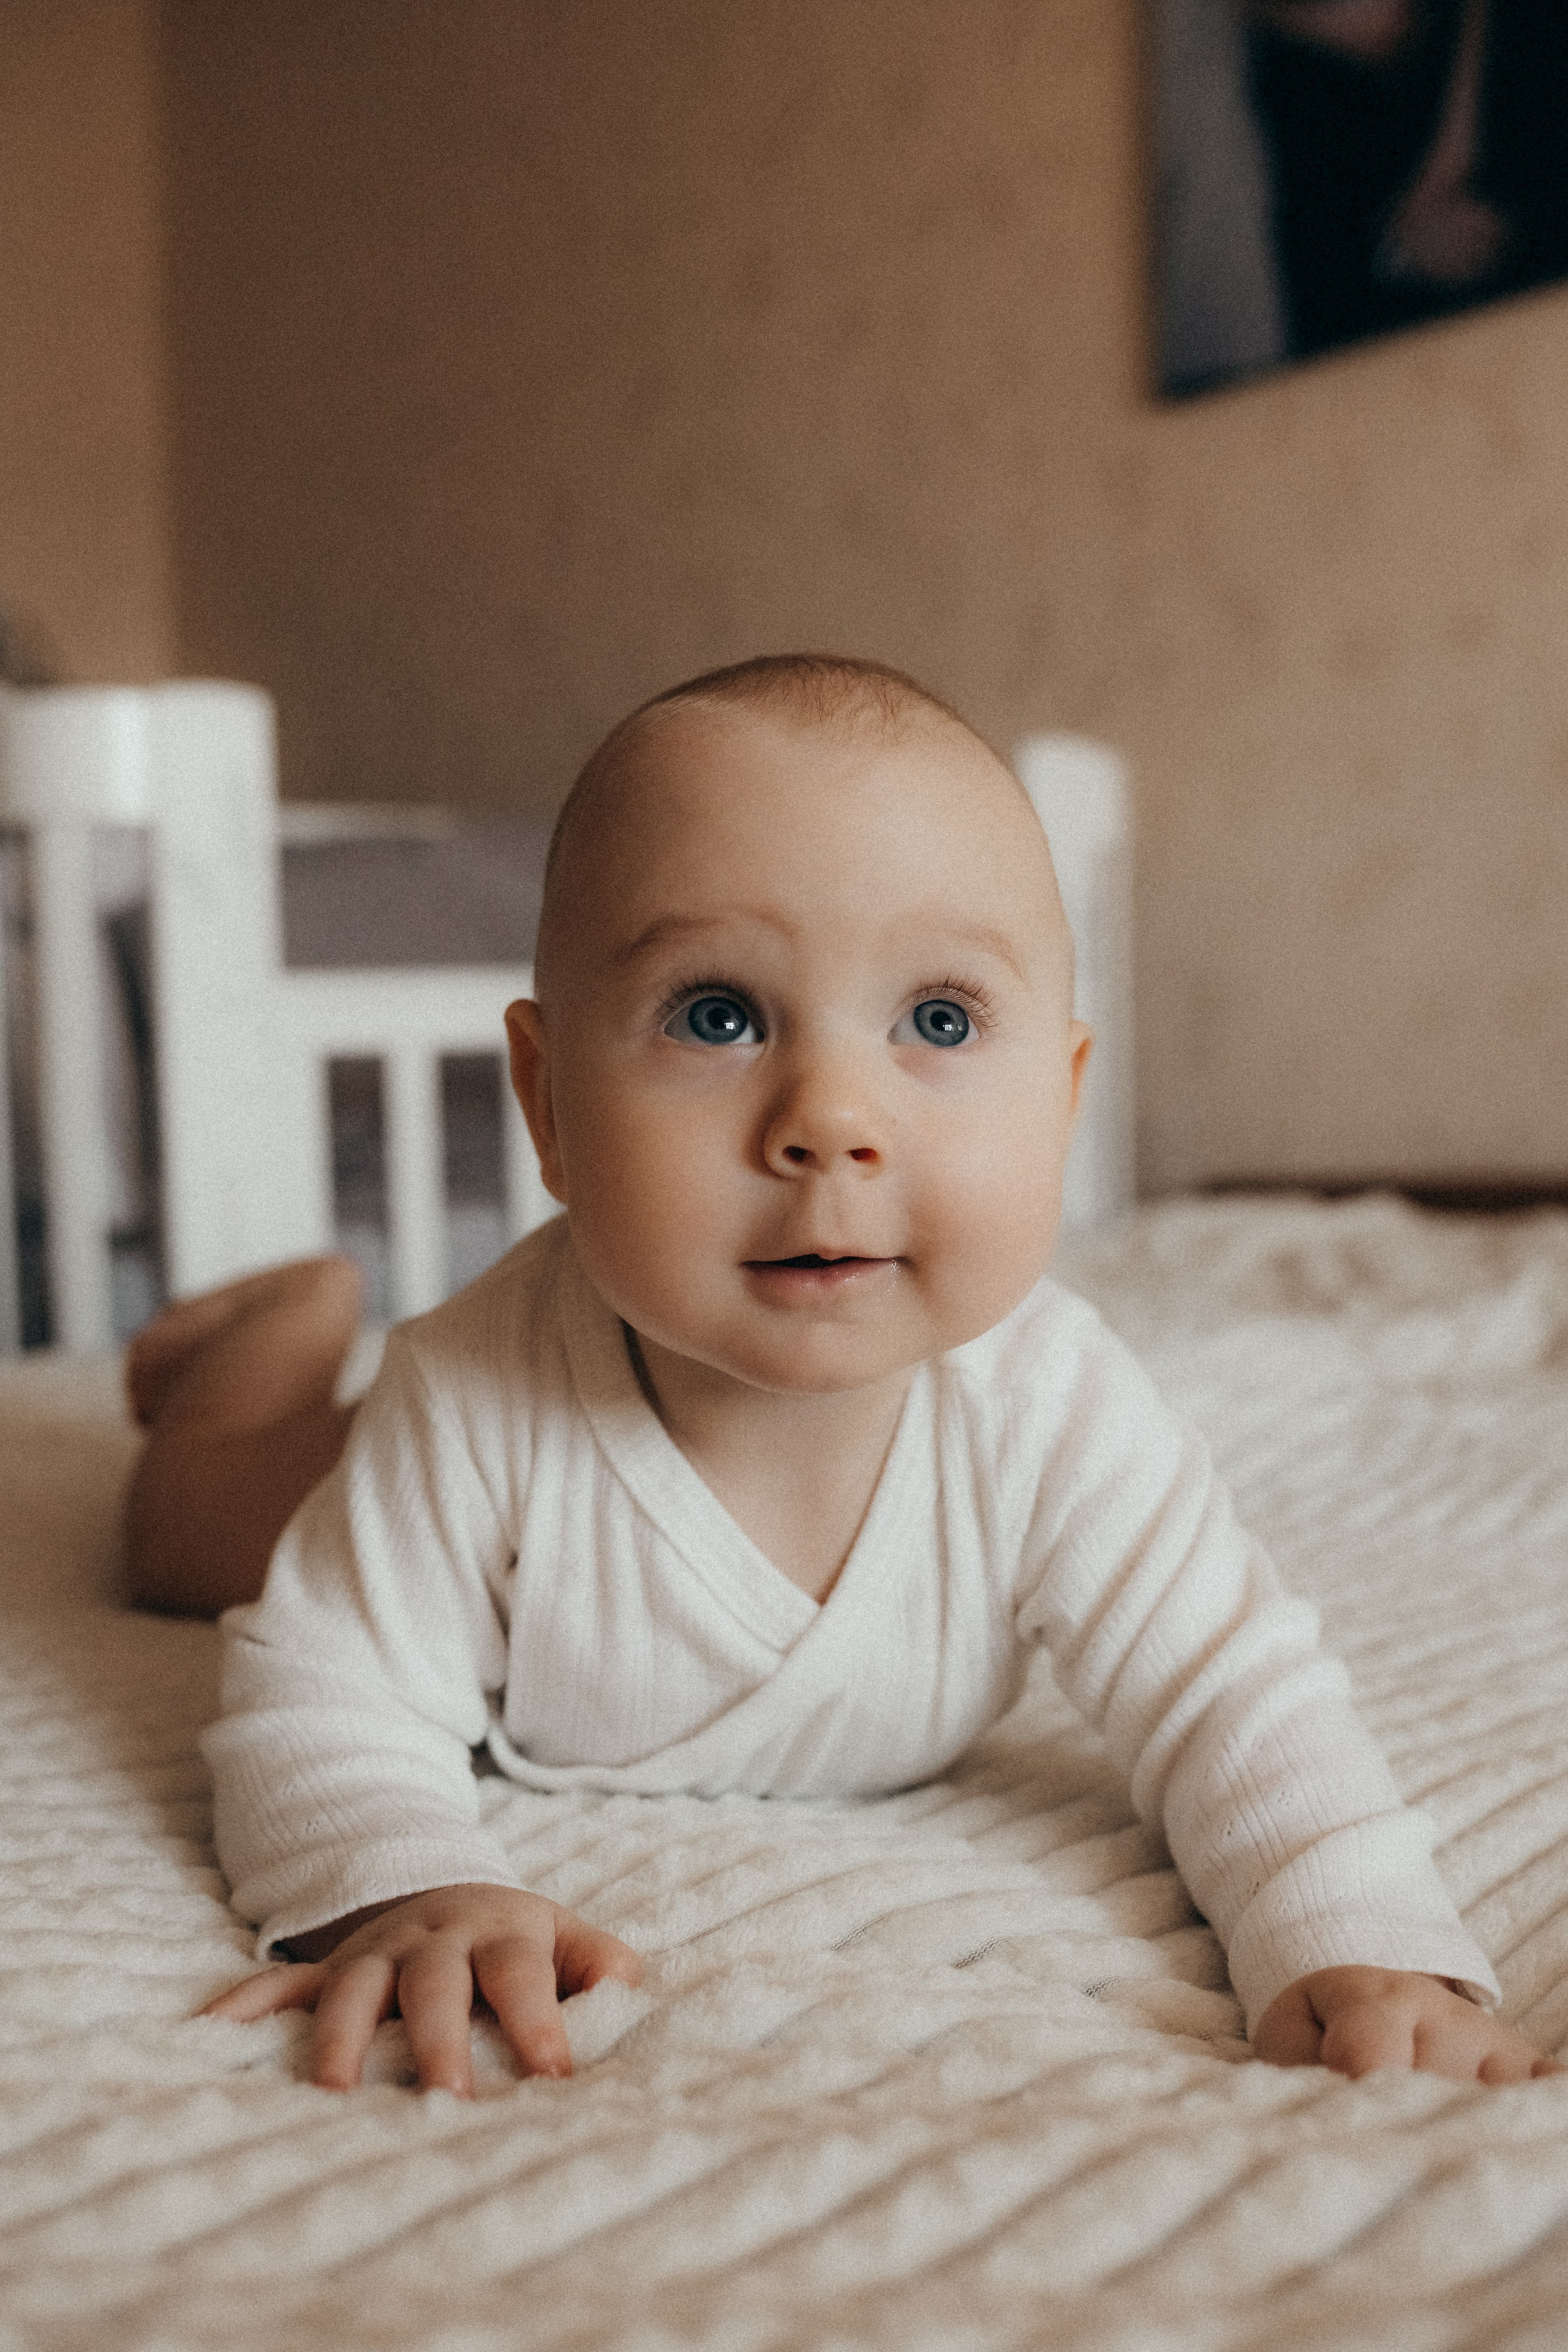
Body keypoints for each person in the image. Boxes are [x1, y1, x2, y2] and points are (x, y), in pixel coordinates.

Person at [142, 654, 1557, 2098]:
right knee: (182, 1523)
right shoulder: (469, 1395)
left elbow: (1228, 1696)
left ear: (1060, 1104)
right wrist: (403, 1882)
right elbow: (326, 1698)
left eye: (937, 1022)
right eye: (716, 1015)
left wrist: (1353, 1945)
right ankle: (273, 1337)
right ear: (546, 1102)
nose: (829, 1120)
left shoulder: (1051, 1408)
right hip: (323, 1476)